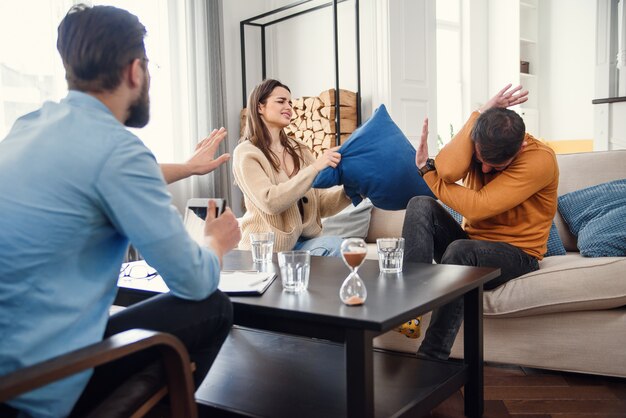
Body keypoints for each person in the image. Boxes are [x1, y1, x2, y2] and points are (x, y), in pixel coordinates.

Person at [0, 4, 241, 417]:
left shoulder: (28, 127)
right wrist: (215, 242)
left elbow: (92, 178)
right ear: (135, 70)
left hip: (10, 370)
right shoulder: (119, 151)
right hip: (35, 391)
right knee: (213, 304)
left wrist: (187, 166)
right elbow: (194, 282)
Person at [404, 84, 559, 360]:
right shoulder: (481, 138)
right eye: (480, 159)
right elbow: (449, 170)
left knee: (459, 251)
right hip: (472, 247)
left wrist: (427, 172)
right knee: (420, 205)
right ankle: (409, 310)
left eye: (497, 166)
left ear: (520, 147)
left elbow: (477, 208)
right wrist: (480, 112)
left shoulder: (540, 160)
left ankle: (431, 359)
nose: (485, 169)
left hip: (517, 255)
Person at [232, 79, 351, 256]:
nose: (288, 107)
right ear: (260, 107)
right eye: (281, 101)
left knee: (342, 246)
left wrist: (351, 193)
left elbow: (320, 205)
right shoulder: (246, 153)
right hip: (265, 250)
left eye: (290, 102)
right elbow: (270, 201)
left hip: (302, 245)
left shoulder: (300, 149)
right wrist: (315, 168)